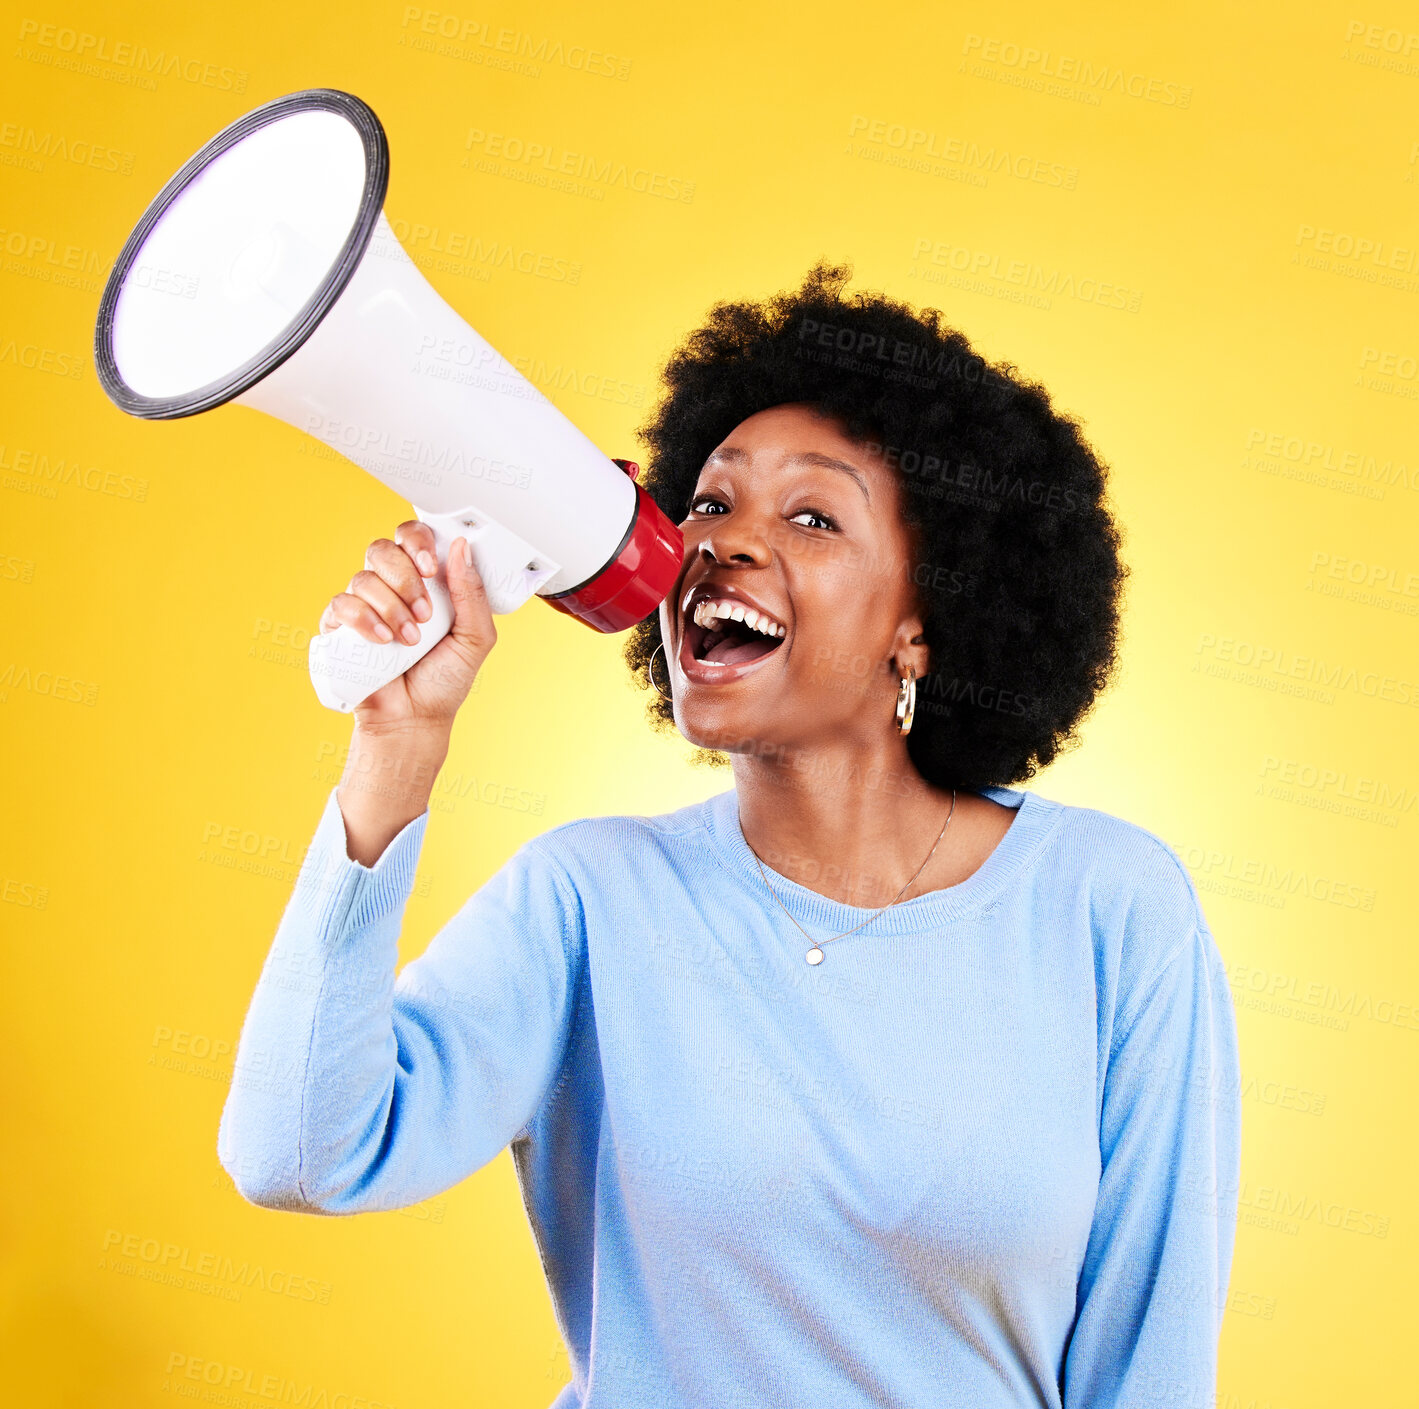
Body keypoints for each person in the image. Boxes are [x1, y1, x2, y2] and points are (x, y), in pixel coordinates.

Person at [218, 260, 1242, 1409]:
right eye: (708, 503)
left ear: (923, 622)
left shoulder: (1110, 906)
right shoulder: (589, 899)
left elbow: (1150, 1370)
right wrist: (393, 742)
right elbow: (302, 1150)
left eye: (812, 515)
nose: (725, 544)